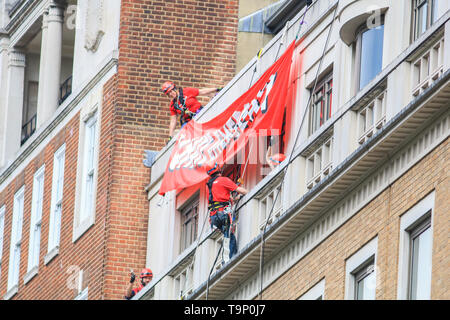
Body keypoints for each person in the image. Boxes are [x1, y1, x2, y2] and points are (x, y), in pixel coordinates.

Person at [206, 163, 248, 262]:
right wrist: (249, 191)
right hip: (223, 214)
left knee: (228, 236)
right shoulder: (223, 180)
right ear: (219, 169)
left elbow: (228, 199)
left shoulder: (210, 185)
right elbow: (240, 190)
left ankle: (226, 259)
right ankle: (230, 260)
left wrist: (235, 198)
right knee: (229, 237)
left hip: (213, 217)